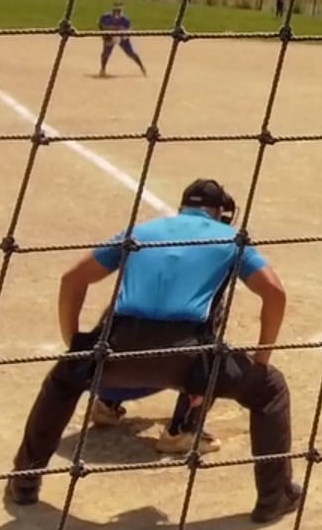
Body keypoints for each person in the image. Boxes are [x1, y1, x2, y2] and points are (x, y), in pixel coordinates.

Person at [5, 179, 303, 524]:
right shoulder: (231, 238)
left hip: (117, 351)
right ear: (219, 212)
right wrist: (261, 362)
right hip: (185, 360)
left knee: (62, 381)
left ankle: (24, 481)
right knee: (269, 388)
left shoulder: (140, 231)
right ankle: (273, 496)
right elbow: (274, 292)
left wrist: (76, 347)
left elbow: (73, 278)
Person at [91, 192, 241, 455]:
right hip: (161, 367)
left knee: (130, 322)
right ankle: (180, 432)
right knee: (212, 352)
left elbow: (74, 277)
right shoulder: (220, 249)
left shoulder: (149, 239)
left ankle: (106, 405)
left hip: (106, 370)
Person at [99, 2, 146, 77]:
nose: (117, 13)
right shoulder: (105, 17)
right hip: (110, 37)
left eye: (119, 11)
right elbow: (101, 25)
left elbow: (127, 32)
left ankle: (142, 67)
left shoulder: (125, 20)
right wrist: (104, 35)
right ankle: (103, 69)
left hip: (122, 38)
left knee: (131, 53)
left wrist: (120, 38)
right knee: (106, 53)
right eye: (115, 10)